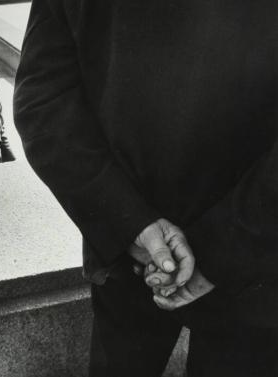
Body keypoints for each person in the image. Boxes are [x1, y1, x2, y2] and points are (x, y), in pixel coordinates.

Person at [14, 2, 278, 377]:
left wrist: (130, 223)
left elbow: (42, 102)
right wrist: (223, 247)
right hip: (256, 261)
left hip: (134, 257)